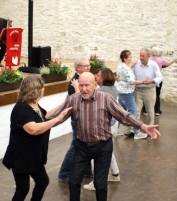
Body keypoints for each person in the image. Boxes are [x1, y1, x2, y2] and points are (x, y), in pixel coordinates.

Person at [49, 72, 161, 201]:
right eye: (81, 85)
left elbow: (124, 115)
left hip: (103, 148)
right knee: (73, 182)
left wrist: (143, 126)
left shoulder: (105, 98)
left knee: (100, 184)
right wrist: (37, 123)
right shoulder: (73, 99)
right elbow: (58, 116)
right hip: (82, 147)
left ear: (95, 84)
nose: (84, 89)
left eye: (87, 85)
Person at [2, 75, 72, 201]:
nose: (44, 90)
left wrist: (65, 104)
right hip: (21, 157)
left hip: (34, 156)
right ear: (35, 90)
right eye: (42, 88)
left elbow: (47, 115)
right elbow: (33, 129)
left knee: (42, 181)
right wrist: (57, 119)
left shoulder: (34, 105)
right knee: (22, 189)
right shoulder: (21, 108)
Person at [83, 68, 120, 191]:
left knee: (96, 154)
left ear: (103, 78)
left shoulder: (101, 91)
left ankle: (96, 182)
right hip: (113, 125)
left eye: (98, 76)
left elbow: (85, 101)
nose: (95, 77)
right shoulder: (114, 88)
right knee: (108, 150)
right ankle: (115, 174)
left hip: (104, 126)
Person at [58, 57, 92, 183]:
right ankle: (64, 173)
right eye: (86, 66)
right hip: (78, 118)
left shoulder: (80, 80)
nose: (88, 67)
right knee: (76, 146)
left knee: (86, 144)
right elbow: (77, 101)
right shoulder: (75, 82)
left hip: (83, 117)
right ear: (78, 67)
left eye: (89, 65)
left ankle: (87, 170)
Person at [116, 50, 148, 139]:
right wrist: (144, 82)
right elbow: (132, 81)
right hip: (127, 92)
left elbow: (123, 75)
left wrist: (131, 66)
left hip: (121, 91)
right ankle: (136, 132)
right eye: (129, 57)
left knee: (119, 112)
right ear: (125, 58)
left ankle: (114, 130)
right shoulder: (126, 68)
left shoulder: (120, 65)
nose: (131, 58)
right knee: (133, 111)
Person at [133, 48, 163, 126]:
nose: (141, 57)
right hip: (138, 90)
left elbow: (160, 77)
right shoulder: (136, 64)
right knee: (136, 110)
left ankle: (150, 127)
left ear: (148, 56)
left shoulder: (153, 64)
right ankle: (136, 129)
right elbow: (131, 76)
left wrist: (152, 80)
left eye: (143, 56)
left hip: (149, 90)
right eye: (140, 55)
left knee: (150, 110)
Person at [149, 45, 174, 115]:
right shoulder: (160, 60)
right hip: (157, 79)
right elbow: (168, 63)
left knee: (148, 94)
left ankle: (146, 110)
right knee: (157, 94)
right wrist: (172, 60)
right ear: (158, 52)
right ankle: (157, 111)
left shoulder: (149, 59)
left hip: (149, 78)